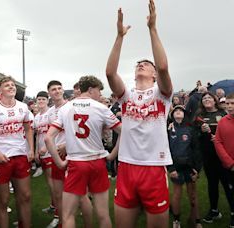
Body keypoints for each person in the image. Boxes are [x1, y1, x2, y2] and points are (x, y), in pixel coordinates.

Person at [105, 0, 173, 227]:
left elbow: (163, 66)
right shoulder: (126, 96)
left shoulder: (162, 94)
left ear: (153, 74)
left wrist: (152, 29)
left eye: (146, 64)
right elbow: (110, 72)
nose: (141, 65)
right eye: (138, 64)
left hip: (154, 167)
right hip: (127, 167)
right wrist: (119, 37)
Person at [45, 75, 121, 228]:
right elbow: (123, 132)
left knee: (67, 216)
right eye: (99, 91)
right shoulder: (101, 108)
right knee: (103, 215)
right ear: (91, 89)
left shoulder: (66, 108)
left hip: (76, 163)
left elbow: (48, 138)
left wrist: (59, 163)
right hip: (97, 161)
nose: (100, 95)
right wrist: (112, 155)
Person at [0, 76, 34, 228]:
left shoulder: (23, 107)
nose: (11, 87)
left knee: (25, 196)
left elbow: (28, 129)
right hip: (1, 159)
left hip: (20, 155)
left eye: (13, 85)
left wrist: (31, 148)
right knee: (4, 201)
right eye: (7, 85)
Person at [45, 80, 94, 228]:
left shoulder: (72, 106)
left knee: (81, 195)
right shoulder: (49, 112)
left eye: (59, 88)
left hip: (74, 153)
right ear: (49, 93)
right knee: (58, 193)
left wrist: (67, 145)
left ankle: (88, 225)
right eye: (53, 89)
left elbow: (82, 131)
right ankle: (62, 222)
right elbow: (51, 135)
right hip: (57, 155)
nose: (57, 91)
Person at [193, 92, 234, 225]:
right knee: (212, 184)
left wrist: (217, 138)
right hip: (208, 155)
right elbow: (194, 137)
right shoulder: (200, 116)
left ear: (214, 100)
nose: (206, 100)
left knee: (228, 185)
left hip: (224, 155)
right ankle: (214, 210)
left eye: (209, 97)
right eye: (204, 98)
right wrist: (201, 131)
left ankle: (233, 212)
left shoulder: (224, 113)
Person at [167, 105, 202, 228]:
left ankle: (196, 220)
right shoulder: (168, 129)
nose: (178, 112)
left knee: (193, 194)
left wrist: (197, 169)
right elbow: (165, 150)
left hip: (190, 167)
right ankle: (176, 220)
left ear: (184, 114)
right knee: (177, 194)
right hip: (176, 167)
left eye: (180, 111)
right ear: (172, 115)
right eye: (175, 110)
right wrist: (171, 168)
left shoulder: (190, 129)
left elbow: (196, 149)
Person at [214, 92, 234, 227]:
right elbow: (218, 142)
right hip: (230, 166)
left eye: (233, 103)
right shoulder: (222, 122)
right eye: (227, 103)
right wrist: (229, 163)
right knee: (232, 193)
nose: (230, 106)